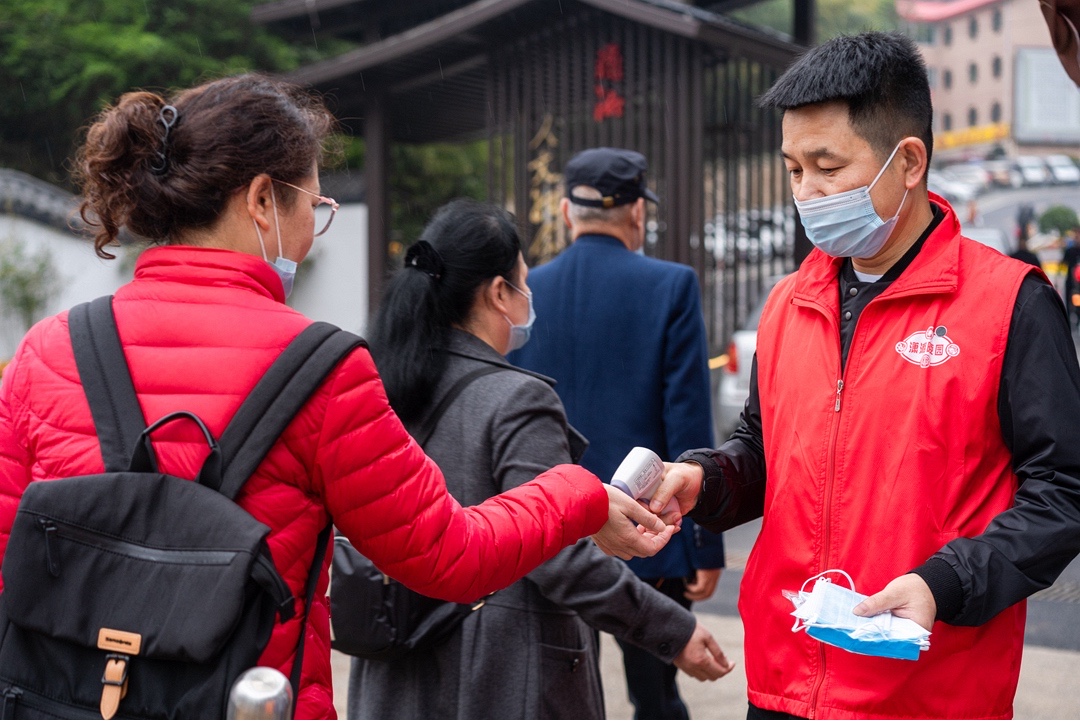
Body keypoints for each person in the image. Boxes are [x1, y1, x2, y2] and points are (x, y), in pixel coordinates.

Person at [0, 74, 677, 719]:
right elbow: (450, 556)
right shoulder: (322, 368)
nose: (309, 230)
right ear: (262, 199)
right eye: (315, 206)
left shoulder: (48, 350)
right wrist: (577, 494)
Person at [653, 33, 1080, 719]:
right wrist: (703, 481)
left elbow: (1064, 490)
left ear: (907, 161)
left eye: (827, 166)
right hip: (785, 683)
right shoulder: (788, 301)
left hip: (929, 691)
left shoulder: (1011, 304)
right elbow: (763, 451)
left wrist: (945, 584)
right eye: (794, 170)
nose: (807, 192)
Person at [348, 199, 733, 719]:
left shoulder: (381, 388)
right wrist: (673, 630)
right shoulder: (516, 398)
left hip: (394, 667)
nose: (530, 300)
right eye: (523, 284)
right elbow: (562, 557)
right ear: (499, 293)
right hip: (498, 674)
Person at [509, 147, 726, 719]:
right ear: (636, 214)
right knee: (655, 696)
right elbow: (686, 421)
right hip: (646, 527)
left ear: (564, 212)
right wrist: (701, 543)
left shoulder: (528, 292)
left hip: (554, 529)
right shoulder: (671, 285)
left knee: (558, 694)